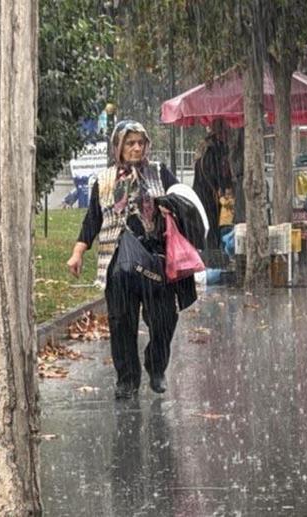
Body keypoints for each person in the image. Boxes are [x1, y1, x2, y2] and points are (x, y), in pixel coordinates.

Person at [66, 120, 196, 399]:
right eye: (130, 143)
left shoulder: (160, 173)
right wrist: (78, 252)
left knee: (164, 320)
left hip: (156, 260)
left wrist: (172, 206)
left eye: (140, 142)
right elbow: (93, 220)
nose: (136, 148)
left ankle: (156, 365)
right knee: (121, 323)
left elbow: (184, 201)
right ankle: (127, 380)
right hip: (118, 263)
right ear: (118, 147)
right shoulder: (104, 181)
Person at [193, 119, 232, 252]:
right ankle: (216, 257)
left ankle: (212, 255)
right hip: (210, 198)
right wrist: (224, 186)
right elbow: (217, 175)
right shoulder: (215, 149)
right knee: (214, 230)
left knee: (209, 229)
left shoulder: (205, 147)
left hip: (202, 196)